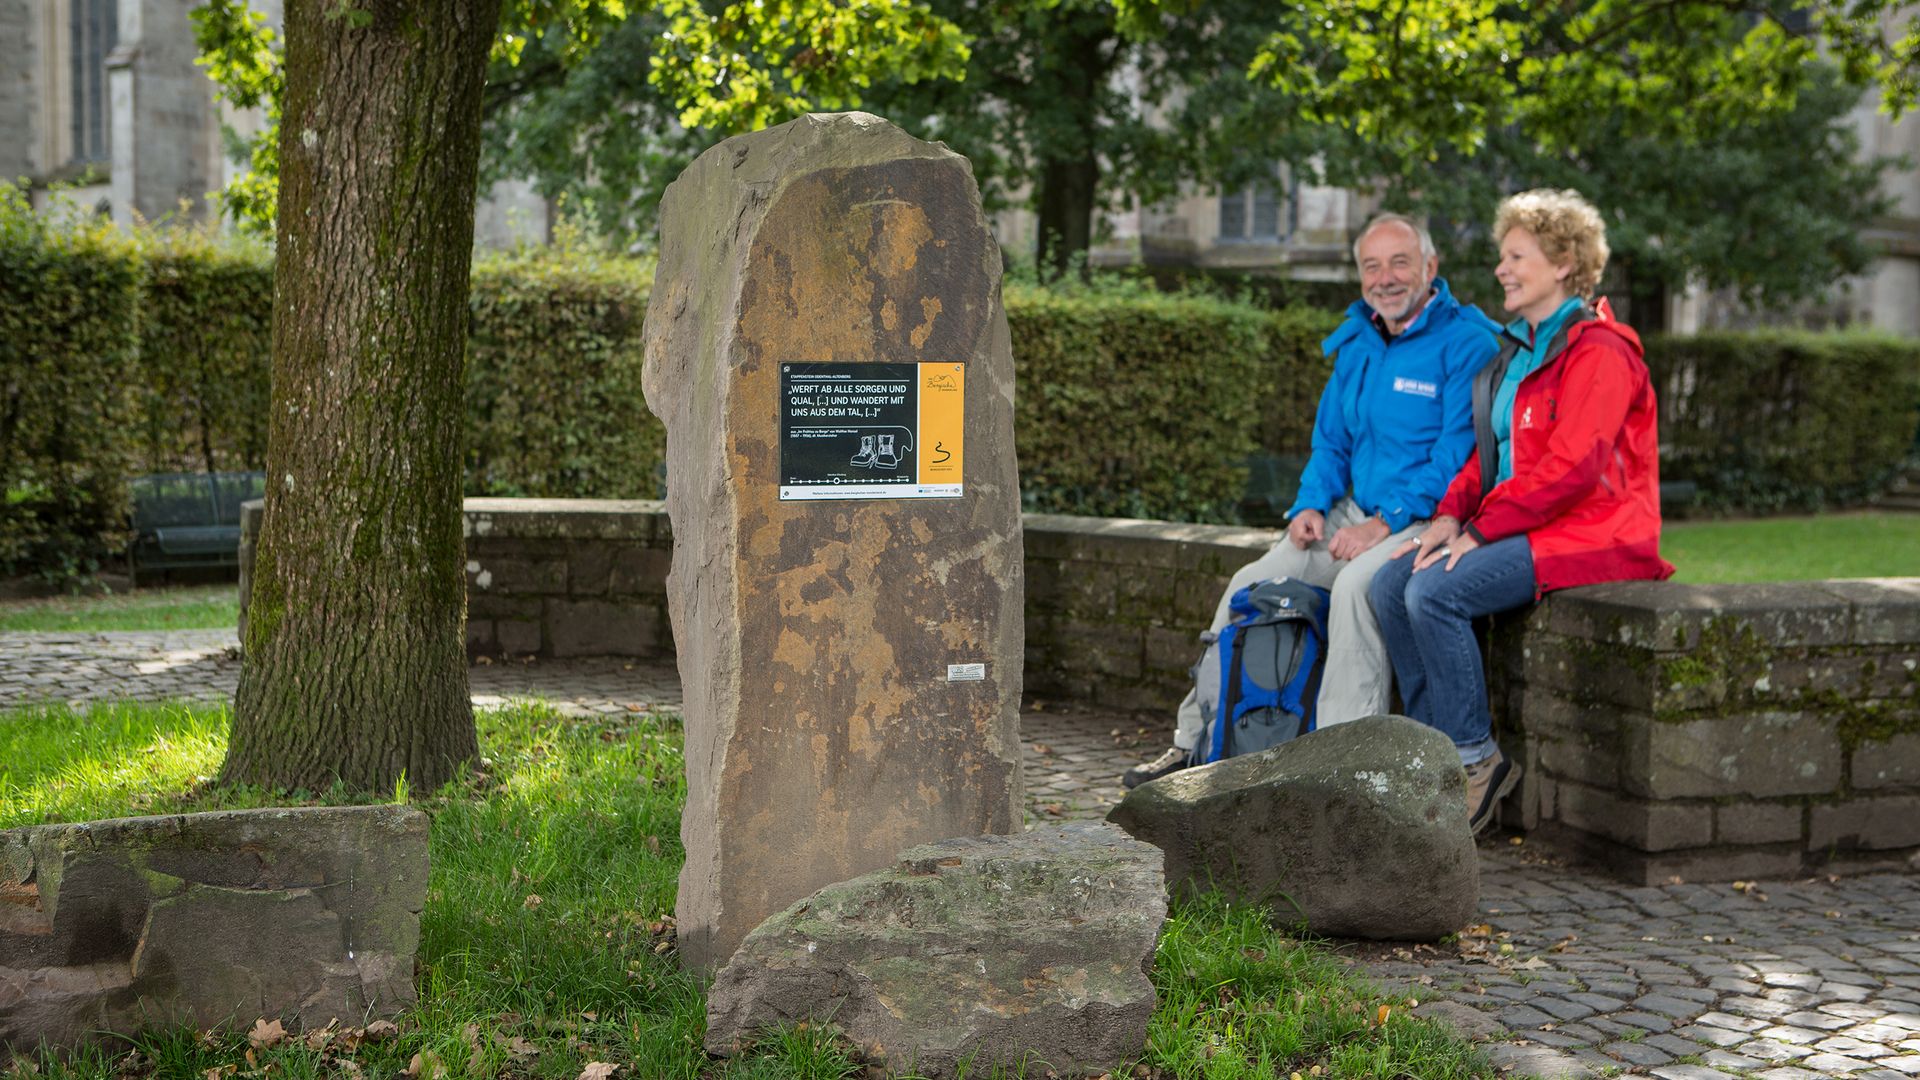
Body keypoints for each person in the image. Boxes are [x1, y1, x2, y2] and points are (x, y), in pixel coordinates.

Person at [1123, 213, 1501, 789]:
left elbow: (1455, 454)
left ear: (1431, 267)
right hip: (1349, 513)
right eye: (1371, 266)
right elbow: (1330, 442)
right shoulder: (1359, 339)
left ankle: (1339, 774)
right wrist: (1310, 506)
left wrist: (1384, 523)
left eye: (1400, 262)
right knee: (1251, 582)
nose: (1385, 278)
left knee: (1356, 590)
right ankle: (1196, 742)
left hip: (1422, 519)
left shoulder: (1468, 342)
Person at [1370, 189, 1675, 834]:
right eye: (1501, 257)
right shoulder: (1520, 353)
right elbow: (1489, 455)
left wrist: (1481, 530)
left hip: (1595, 533)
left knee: (1434, 592)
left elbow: (1571, 470)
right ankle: (1435, 756)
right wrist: (1452, 516)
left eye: (1516, 256)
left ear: (1564, 263)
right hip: (1528, 522)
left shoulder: (1600, 351)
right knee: (1390, 582)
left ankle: (1477, 760)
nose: (1501, 269)